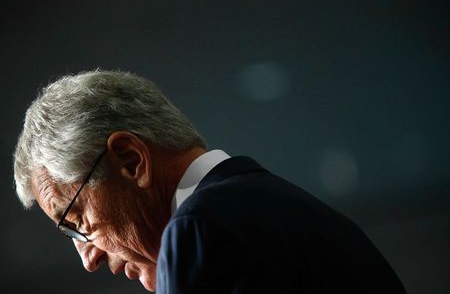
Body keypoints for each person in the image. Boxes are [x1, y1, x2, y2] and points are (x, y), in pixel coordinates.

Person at [13, 70, 407, 293]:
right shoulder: (287, 210)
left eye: (77, 221)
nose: (89, 258)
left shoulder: (198, 231)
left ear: (132, 161)